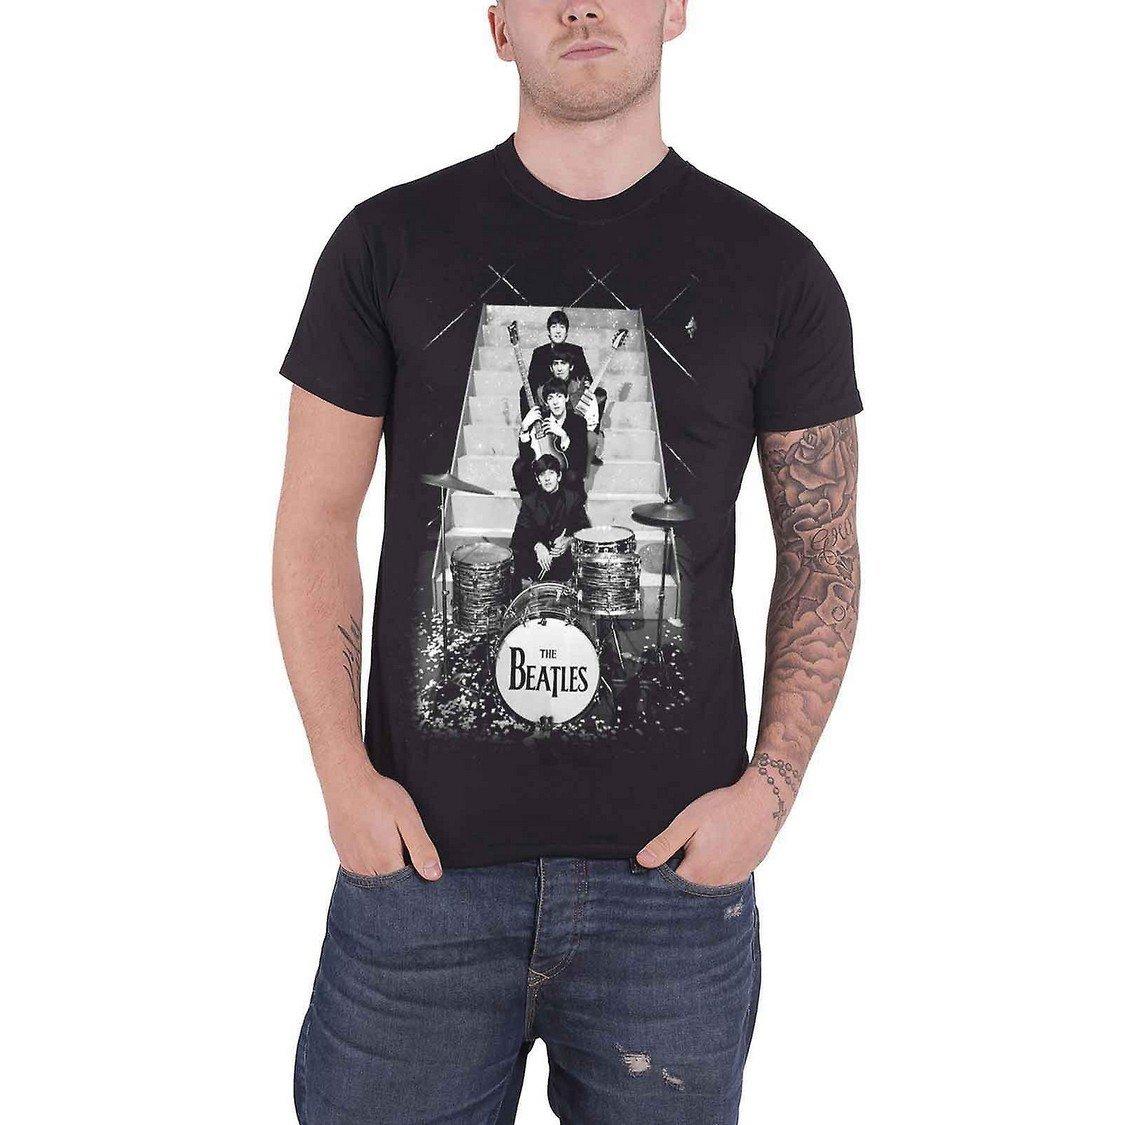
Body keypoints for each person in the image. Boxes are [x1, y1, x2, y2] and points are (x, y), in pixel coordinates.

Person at [273, 3, 862, 1122]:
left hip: (672, 898)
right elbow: (313, 520)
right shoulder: (384, 243)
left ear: (674, 9)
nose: (581, 5)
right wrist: (343, 779)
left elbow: (823, 546)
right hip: (420, 887)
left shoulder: (776, 269)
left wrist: (768, 796)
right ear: (498, 26)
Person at [510, 453, 591, 584]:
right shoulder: (530, 500)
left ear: (559, 476)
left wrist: (568, 540)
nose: (547, 479)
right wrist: (537, 546)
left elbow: (584, 528)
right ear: (538, 480)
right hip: (537, 560)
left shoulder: (573, 498)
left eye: (551, 473)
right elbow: (520, 534)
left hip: (563, 559)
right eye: (542, 475)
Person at [512, 372, 596, 498]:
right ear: (546, 402)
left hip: (564, 477)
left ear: (566, 398)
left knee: (572, 475)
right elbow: (526, 456)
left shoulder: (578, 422)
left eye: (559, 396)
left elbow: (579, 462)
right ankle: (530, 505)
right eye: (550, 398)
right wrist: (524, 429)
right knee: (519, 467)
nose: (555, 402)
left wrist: (563, 435)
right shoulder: (539, 419)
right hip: (542, 474)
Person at [523, 308, 592, 413]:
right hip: (547, 396)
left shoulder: (576, 351)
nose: (558, 331)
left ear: (566, 333)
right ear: (549, 332)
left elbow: (586, 376)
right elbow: (531, 381)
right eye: (554, 326)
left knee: (600, 393)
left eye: (562, 327)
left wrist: (586, 383)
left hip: (570, 396)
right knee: (524, 391)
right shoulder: (539, 353)